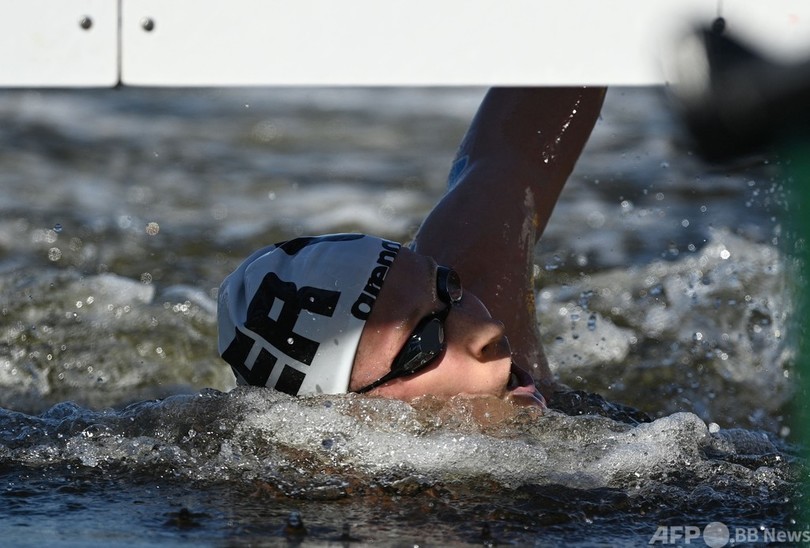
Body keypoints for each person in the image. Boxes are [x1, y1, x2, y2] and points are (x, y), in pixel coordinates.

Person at [217, 87, 606, 411]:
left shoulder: (482, 279)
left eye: (448, 286)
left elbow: (518, 140)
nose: (490, 327)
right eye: (425, 343)